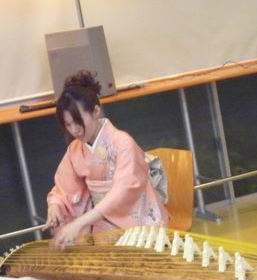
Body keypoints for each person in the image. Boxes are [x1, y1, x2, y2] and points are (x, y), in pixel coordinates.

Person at [44, 70, 168, 248]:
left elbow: (123, 191)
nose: (74, 130)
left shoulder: (122, 143)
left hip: (136, 222)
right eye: (68, 124)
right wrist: (55, 205)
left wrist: (80, 223)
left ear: (96, 111)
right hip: (101, 224)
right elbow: (64, 188)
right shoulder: (75, 150)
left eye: (78, 121)